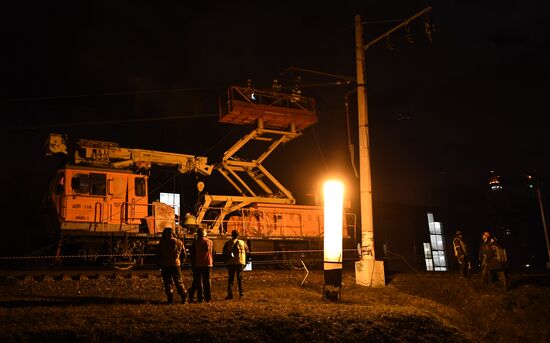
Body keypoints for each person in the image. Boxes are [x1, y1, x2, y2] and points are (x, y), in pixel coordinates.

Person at [157, 227, 187, 304]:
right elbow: (184, 254)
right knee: (179, 282)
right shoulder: (179, 242)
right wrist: (181, 263)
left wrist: (159, 264)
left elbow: (159, 255)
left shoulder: (162, 242)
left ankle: (170, 300)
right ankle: (184, 299)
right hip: (176, 264)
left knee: (167, 282)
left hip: (165, 265)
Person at [189, 228, 215, 302]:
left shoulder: (195, 243)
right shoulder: (210, 242)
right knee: (207, 281)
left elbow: (193, 254)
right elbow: (213, 253)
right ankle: (208, 297)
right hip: (208, 263)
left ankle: (200, 298)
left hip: (198, 264)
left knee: (199, 282)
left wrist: (193, 265)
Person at [223, 230, 249, 299]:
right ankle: (242, 294)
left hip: (231, 263)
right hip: (240, 262)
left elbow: (224, 253)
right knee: (240, 279)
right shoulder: (243, 243)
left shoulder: (228, 243)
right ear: (238, 235)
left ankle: (230, 295)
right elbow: (247, 250)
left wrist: (225, 262)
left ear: (232, 235)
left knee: (231, 280)